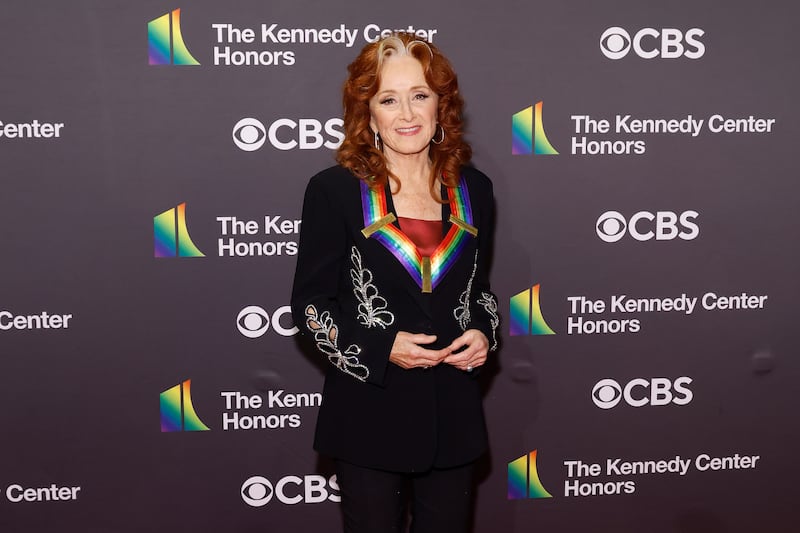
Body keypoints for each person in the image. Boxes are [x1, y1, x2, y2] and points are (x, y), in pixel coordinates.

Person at [291, 32, 499, 533]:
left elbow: (480, 291)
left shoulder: (475, 188)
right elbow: (311, 308)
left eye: (420, 95)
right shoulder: (334, 191)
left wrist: (482, 333)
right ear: (369, 112)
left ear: (440, 105)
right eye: (389, 99)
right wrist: (383, 346)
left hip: (453, 416)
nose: (407, 114)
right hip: (368, 413)